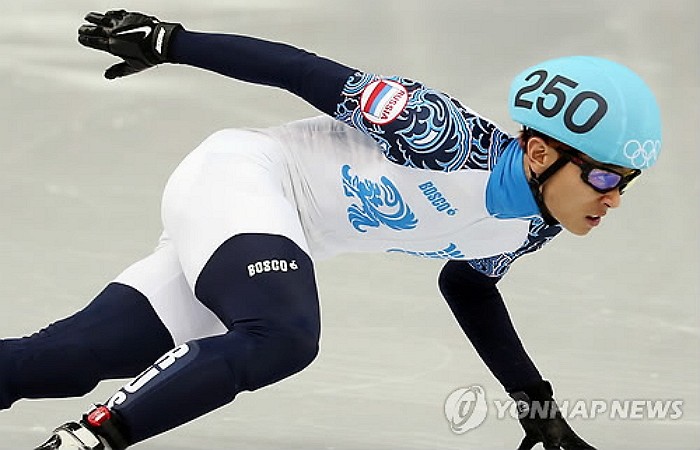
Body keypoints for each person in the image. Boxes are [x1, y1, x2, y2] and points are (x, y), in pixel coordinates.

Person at [0, 9, 661, 450]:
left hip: (266, 232)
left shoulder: (529, 226)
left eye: (625, 183)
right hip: (248, 178)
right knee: (283, 335)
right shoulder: (440, 134)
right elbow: (303, 72)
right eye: (606, 177)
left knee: (69, 357)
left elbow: (468, 287)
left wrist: (533, 402)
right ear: (543, 154)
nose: (614, 199)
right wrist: (171, 42)